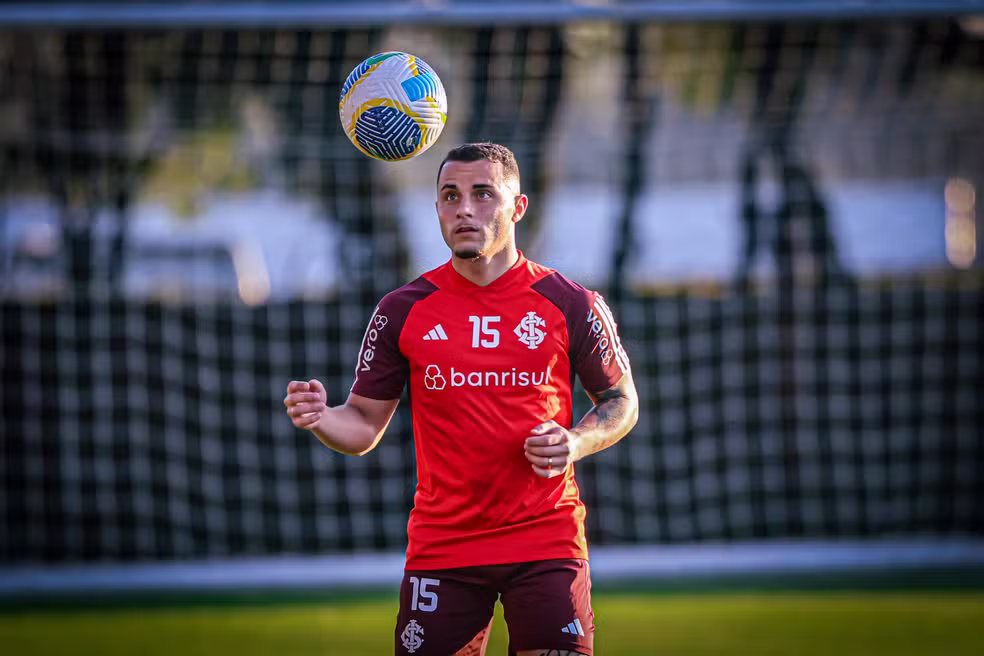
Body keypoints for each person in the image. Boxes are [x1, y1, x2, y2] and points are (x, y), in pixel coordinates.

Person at [284, 142, 639, 656]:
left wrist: (575, 442)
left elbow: (621, 401)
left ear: (517, 207)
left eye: (483, 194)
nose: (464, 209)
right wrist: (321, 418)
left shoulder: (571, 302)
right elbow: (361, 426)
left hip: (545, 540)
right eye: (450, 196)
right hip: (443, 547)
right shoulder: (402, 310)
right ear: (437, 210)